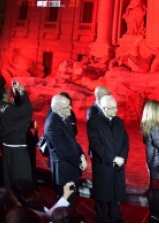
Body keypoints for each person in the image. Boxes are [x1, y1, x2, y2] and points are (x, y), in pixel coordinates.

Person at [87, 94, 129, 222]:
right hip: (103, 164)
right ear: (104, 109)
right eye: (112, 108)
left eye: (116, 107)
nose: (116, 110)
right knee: (102, 192)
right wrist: (113, 158)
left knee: (115, 192)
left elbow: (125, 141)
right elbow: (96, 145)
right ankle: (101, 218)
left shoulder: (118, 121)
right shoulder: (94, 122)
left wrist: (121, 157)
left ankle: (115, 216)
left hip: (118, 164)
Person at [44, 94, 87, 206]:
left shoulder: (64, 118)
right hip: (64, 171)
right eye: (67, 106)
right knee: (65, 202)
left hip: (70, 167)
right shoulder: (52, 126)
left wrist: (82, 155)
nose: (71, 108)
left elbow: (72, 141)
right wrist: (79, 162)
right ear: (58, 110)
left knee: (72, 199)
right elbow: (64, 152)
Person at [0, 81, 34, 186]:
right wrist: (22, 92)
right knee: (21, 181)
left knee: (9, 178)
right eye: (8, 90)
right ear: (4, 95)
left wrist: (16, 94)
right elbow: (26, 110)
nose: (9, 91)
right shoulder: (8, 111)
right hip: (17, 151)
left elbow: (13, 110)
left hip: (7, 149)